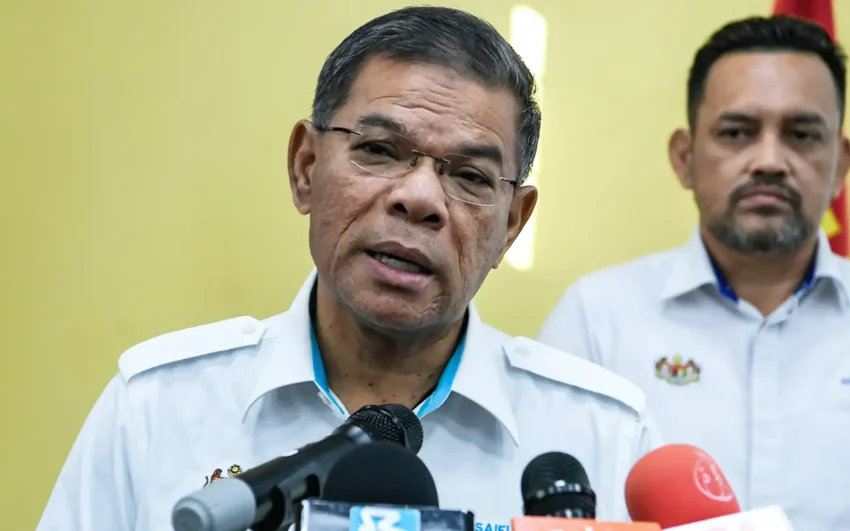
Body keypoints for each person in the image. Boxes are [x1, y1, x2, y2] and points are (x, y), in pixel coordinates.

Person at [38, 7, 661, 531]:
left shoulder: (603, 436)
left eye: (470, 176)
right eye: (379, 150)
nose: (419, 198)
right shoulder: (156, 407)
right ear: (305, 167)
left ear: (512, 226)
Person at [538, 15, 850, 531]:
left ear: (840, 165)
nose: (769, 161)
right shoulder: (598, 318)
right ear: (684, 158)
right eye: (737, 133)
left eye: (801, 134)